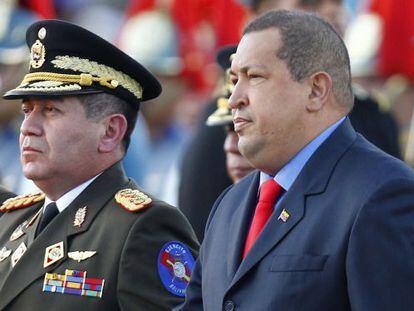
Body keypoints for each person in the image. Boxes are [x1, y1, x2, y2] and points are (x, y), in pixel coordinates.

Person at [180, 10, 414, 310]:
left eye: (254, 77)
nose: (235, 97)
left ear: (316, 90)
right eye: (234, 79)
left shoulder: (381, 194)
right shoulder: (230, 203)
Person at [0, 19, 198, 310]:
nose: (28, 127)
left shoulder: (143, 229)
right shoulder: (10, 219)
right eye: (27, 110)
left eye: (51, 110)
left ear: (110, 132)